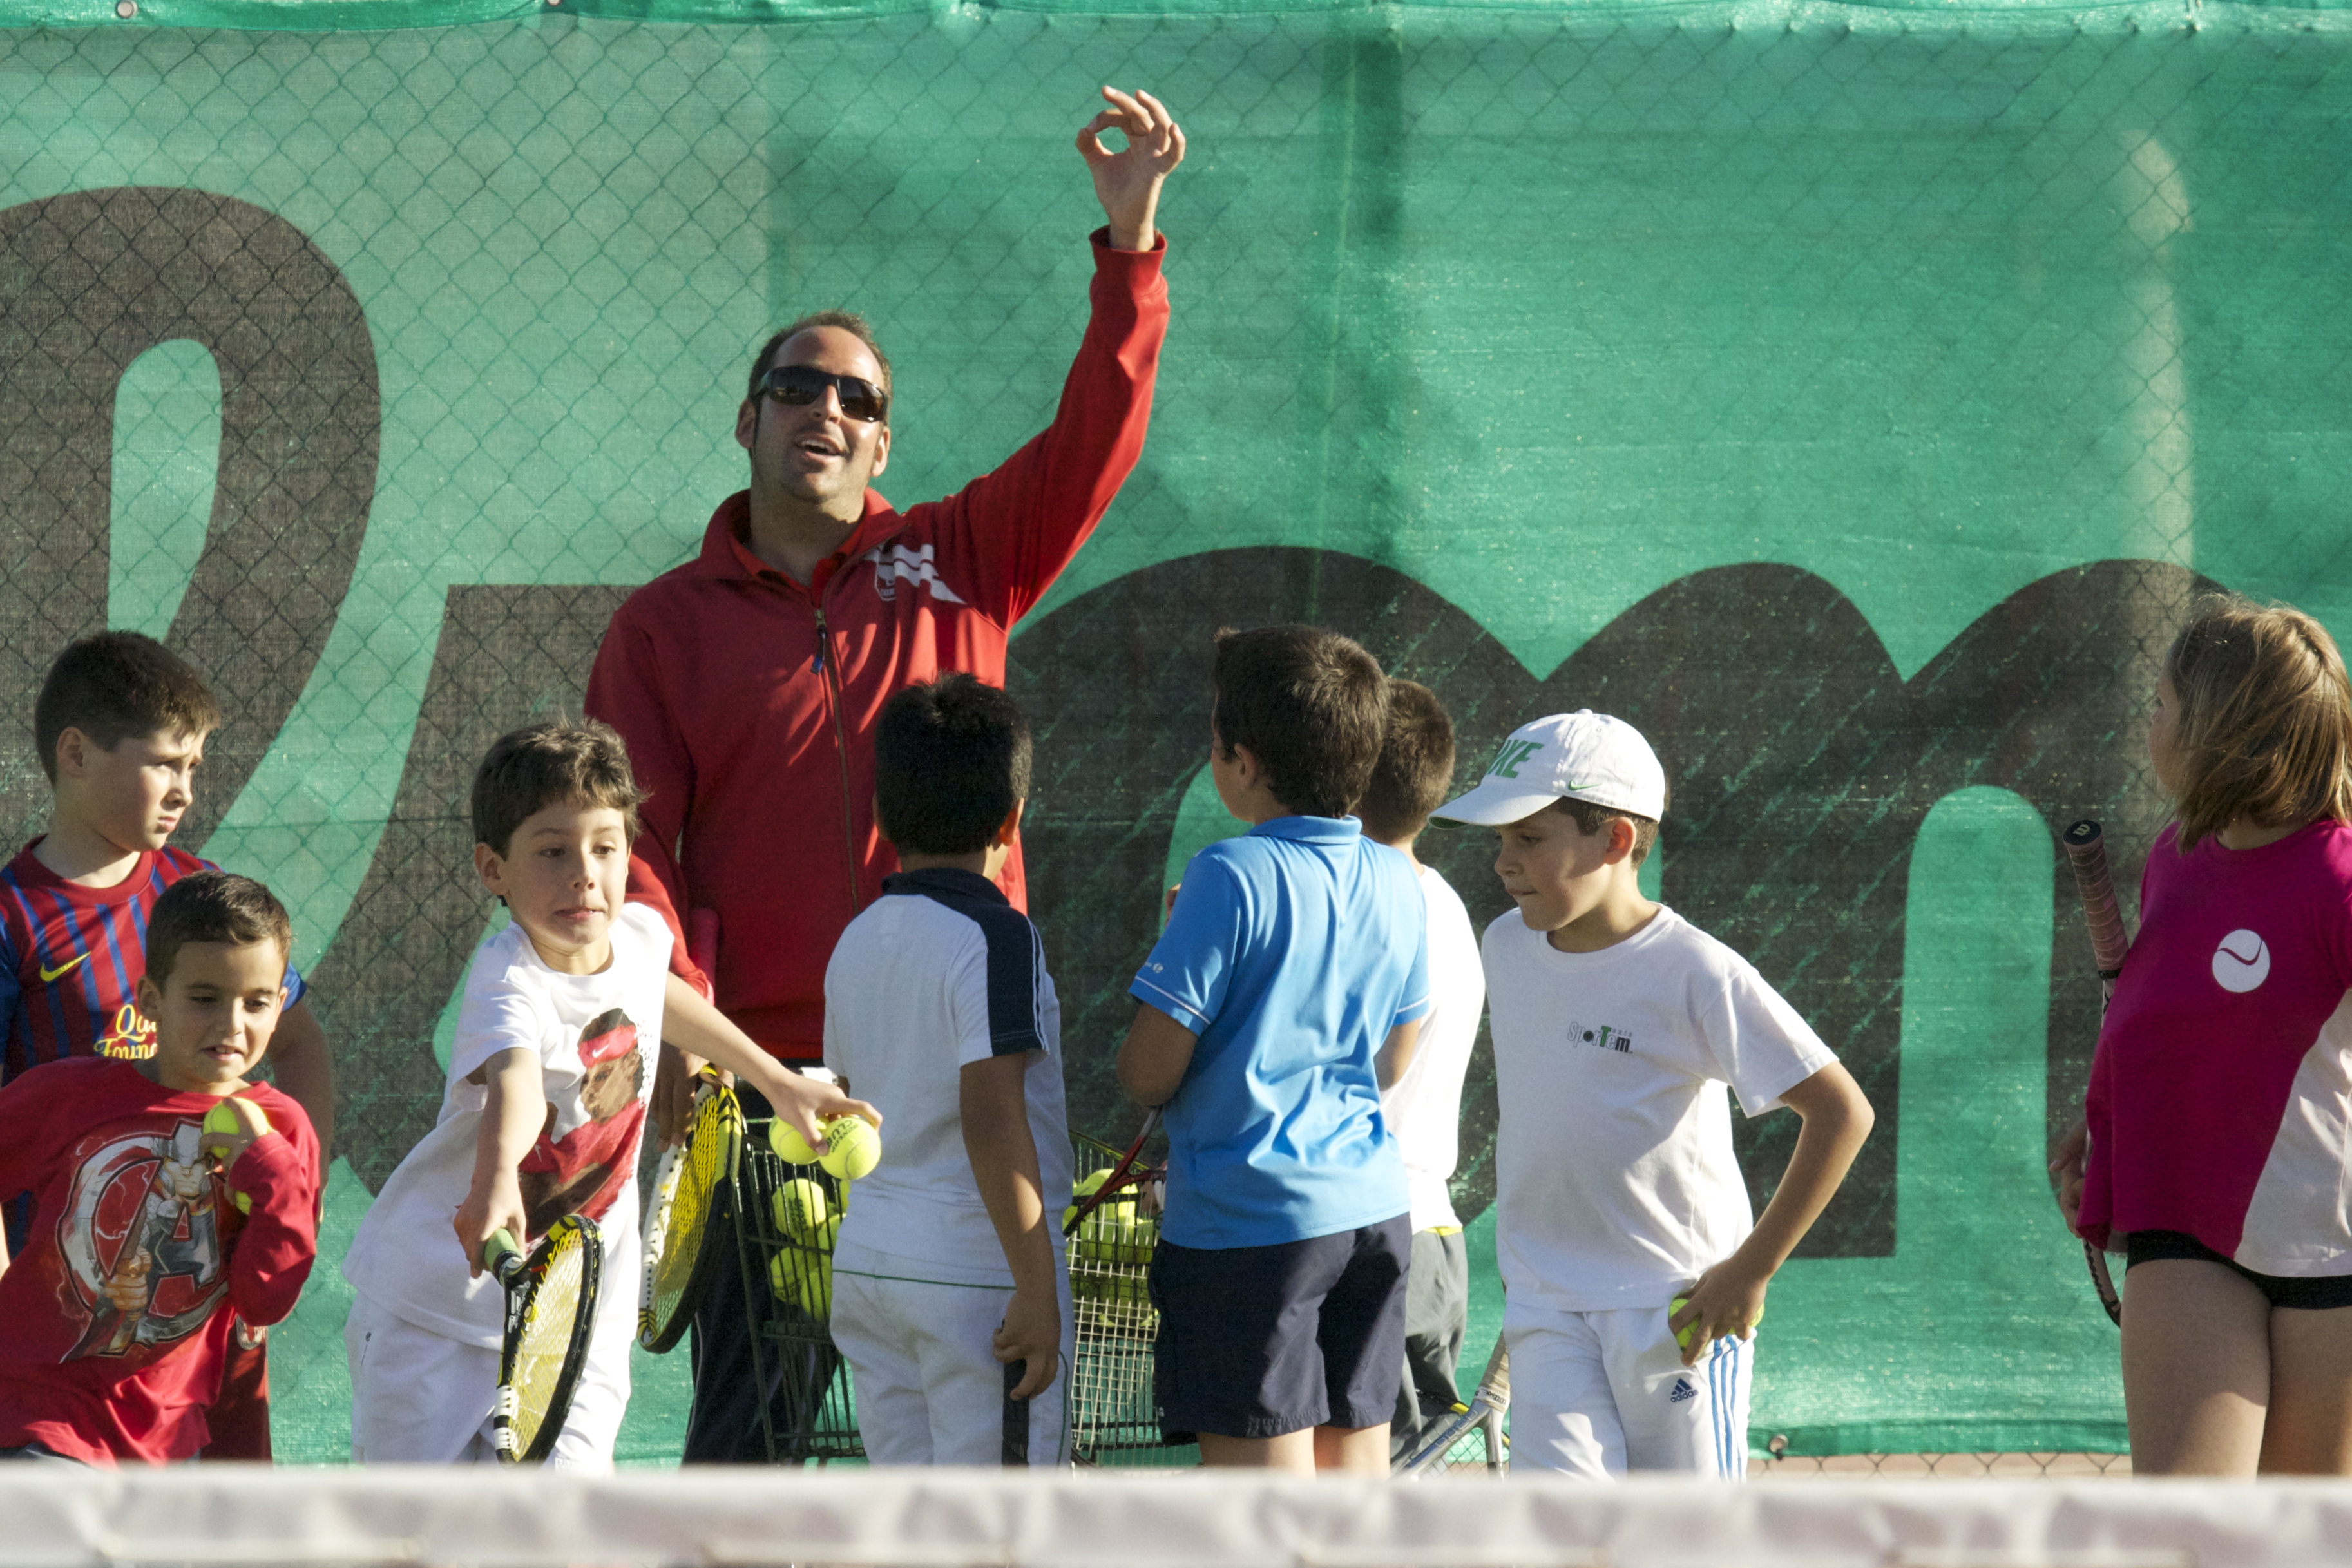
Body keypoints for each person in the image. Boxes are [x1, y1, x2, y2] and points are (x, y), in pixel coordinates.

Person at [584, 86, 1183, 1461]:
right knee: (755, 1426)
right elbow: (638, 856)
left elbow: (1097, 436)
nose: (828, 408)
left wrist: (1130, 247)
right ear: (748, 419)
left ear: (883, 445)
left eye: (859, 398)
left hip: (964, 1065)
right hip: (773, 1083)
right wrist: (700, 1043)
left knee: (986, 1419)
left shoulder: (963, 556)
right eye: (799, 386)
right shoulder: (661, 627)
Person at [339, 720, 875, 1466]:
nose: (584, 874)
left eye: (605, 847)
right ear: (493, 868)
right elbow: (518, 1086)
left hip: (581, 1319)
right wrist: (495, 1180)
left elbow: (658, 993)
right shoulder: (508, 980)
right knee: (414, 1524)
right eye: (552, 851)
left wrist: (778, 1081)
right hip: (436, 1314)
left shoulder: (643, 934)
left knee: (571, 1519)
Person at [1432, 710, 1872, 1479]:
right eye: (1499, 839)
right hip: (1546, 1307)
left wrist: (1751, 1270)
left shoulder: (1697, 970)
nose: (1504, 862)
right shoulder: (1503, 944)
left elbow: (1843, 1113)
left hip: (1680, 1310)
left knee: (1684, 1537)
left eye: (1528, 838)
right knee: (1558, 1533)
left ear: (1616, 840)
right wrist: (1543, 1272)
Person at [0, 631, 334, 1462]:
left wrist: (292, 1195)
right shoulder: (13, 920)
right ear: (75, 753)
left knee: (217, 1517)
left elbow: (301, 1044)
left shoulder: (198, 893)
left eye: (194, 766)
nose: (185, 788)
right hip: (61, 1341)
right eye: (164, 763)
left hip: (200, 1334)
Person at [1117, 626, 1428, 1475]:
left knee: (1264, 1516)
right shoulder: (1399, 877)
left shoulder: (1224, 875)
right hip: (1372, 1216)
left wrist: (1191, 951)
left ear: (1241, 761)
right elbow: (1391, 1062)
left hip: (1250, 1231)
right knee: (1354, 1487)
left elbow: (1147, 1073)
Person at [2052, 596, 2352, 1475]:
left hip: (2332, 1246)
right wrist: (2102, 1123)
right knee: (2189, 1533)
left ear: (2221, 730)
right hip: (2184, 1234)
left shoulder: (2339, 883)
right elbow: (2166, 1026)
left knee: (2304, 1536)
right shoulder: (2173, 858)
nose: (2149, 724)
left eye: (2161, 705)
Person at [823, 674, 1075, 1465]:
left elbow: (845, 1100)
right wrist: (1036, 1288)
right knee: (1000, 1524)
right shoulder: (1000, 935)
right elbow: (992, 1118)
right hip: (978, 1278)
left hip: (869, 1265)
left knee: (913, 1520)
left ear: (879, 815)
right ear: (1012, 821)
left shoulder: (857, 937)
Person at [0, 872, 320, 1464]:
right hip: (38, 1415)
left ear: (280, 1006)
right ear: (151, 1000)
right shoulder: (67, 1094)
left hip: (168, 1441)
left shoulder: (283, 1130)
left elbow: (265, 1300)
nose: (231, 1024)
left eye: (255, 1002)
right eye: (204, 998)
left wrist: (267, 1167)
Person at [1353, 680, 1486, 1459]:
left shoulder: (1368, 907)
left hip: (1373, 1236)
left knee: (1364, 1489)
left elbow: (1366, 1070)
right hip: (1424, 1234)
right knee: (1389, 1485)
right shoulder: (1446, 903)